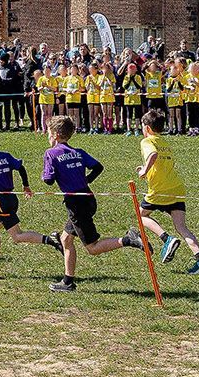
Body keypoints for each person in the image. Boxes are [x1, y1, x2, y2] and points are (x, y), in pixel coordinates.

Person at [42, 115, 143, 293]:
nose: (47, 137)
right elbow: (98, 167)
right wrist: (85, 180)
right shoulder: (79, 152)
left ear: (56, 134)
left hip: (76, 205)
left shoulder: (51, 153)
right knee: (66, 239)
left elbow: (49, 180)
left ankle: (128, 239)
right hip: (88, 198)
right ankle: (67, 282)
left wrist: (47, 174)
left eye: (49, 133)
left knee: (92, 248)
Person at [0, 127, 59, 276]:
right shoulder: (5, 156)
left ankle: (51, 240)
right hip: (11, 198)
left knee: (16, 236)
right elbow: (21, 167)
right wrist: (26, 186)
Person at [134, 109, 199, 275]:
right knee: (182, 227)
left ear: (147, 128)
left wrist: (143, 172)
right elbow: (159, 162)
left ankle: (166, 239)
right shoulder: (164, 142)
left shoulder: (147, 141)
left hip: (160, 189)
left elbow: (153, 155)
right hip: (176, 188)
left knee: (140, 215)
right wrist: (146, 168)